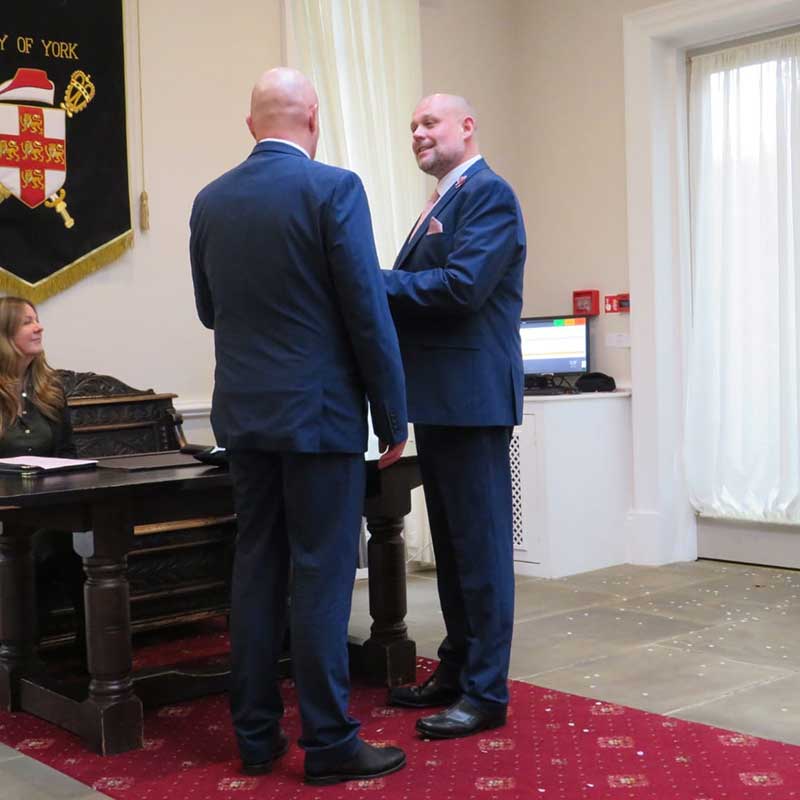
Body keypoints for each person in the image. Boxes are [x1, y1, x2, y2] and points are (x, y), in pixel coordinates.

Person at [189, 68, 408, 785]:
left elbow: (208, 310)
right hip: (319, 418)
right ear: (314, 116)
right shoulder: (333, 188)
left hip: (243, 416)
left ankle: (255, 736)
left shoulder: (210, 201)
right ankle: (330, 742)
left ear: (250, 124)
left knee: (256, 569)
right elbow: (365, 312)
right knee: (320, 574)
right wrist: (391, 413)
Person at [384, 94, 526, 739]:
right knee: (452, 547)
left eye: (430, 122)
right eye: (413, 125)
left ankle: (487, 694)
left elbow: (463, 287)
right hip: (440, 401)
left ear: (468, 126)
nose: (418, 132)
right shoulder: (442, 201)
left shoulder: (488, 193)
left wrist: (370, 280)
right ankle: (457, 668)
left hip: (471, 401)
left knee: (482, 551)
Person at [0, 296, 83, 648]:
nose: (39, 327)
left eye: (38, 319)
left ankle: (92, 653)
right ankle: (20, 657)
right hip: (6, 510)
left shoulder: (50, 390)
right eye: (27, 322)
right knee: (46, 544)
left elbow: (67, 453)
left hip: (48, 506)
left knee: (76, 542)